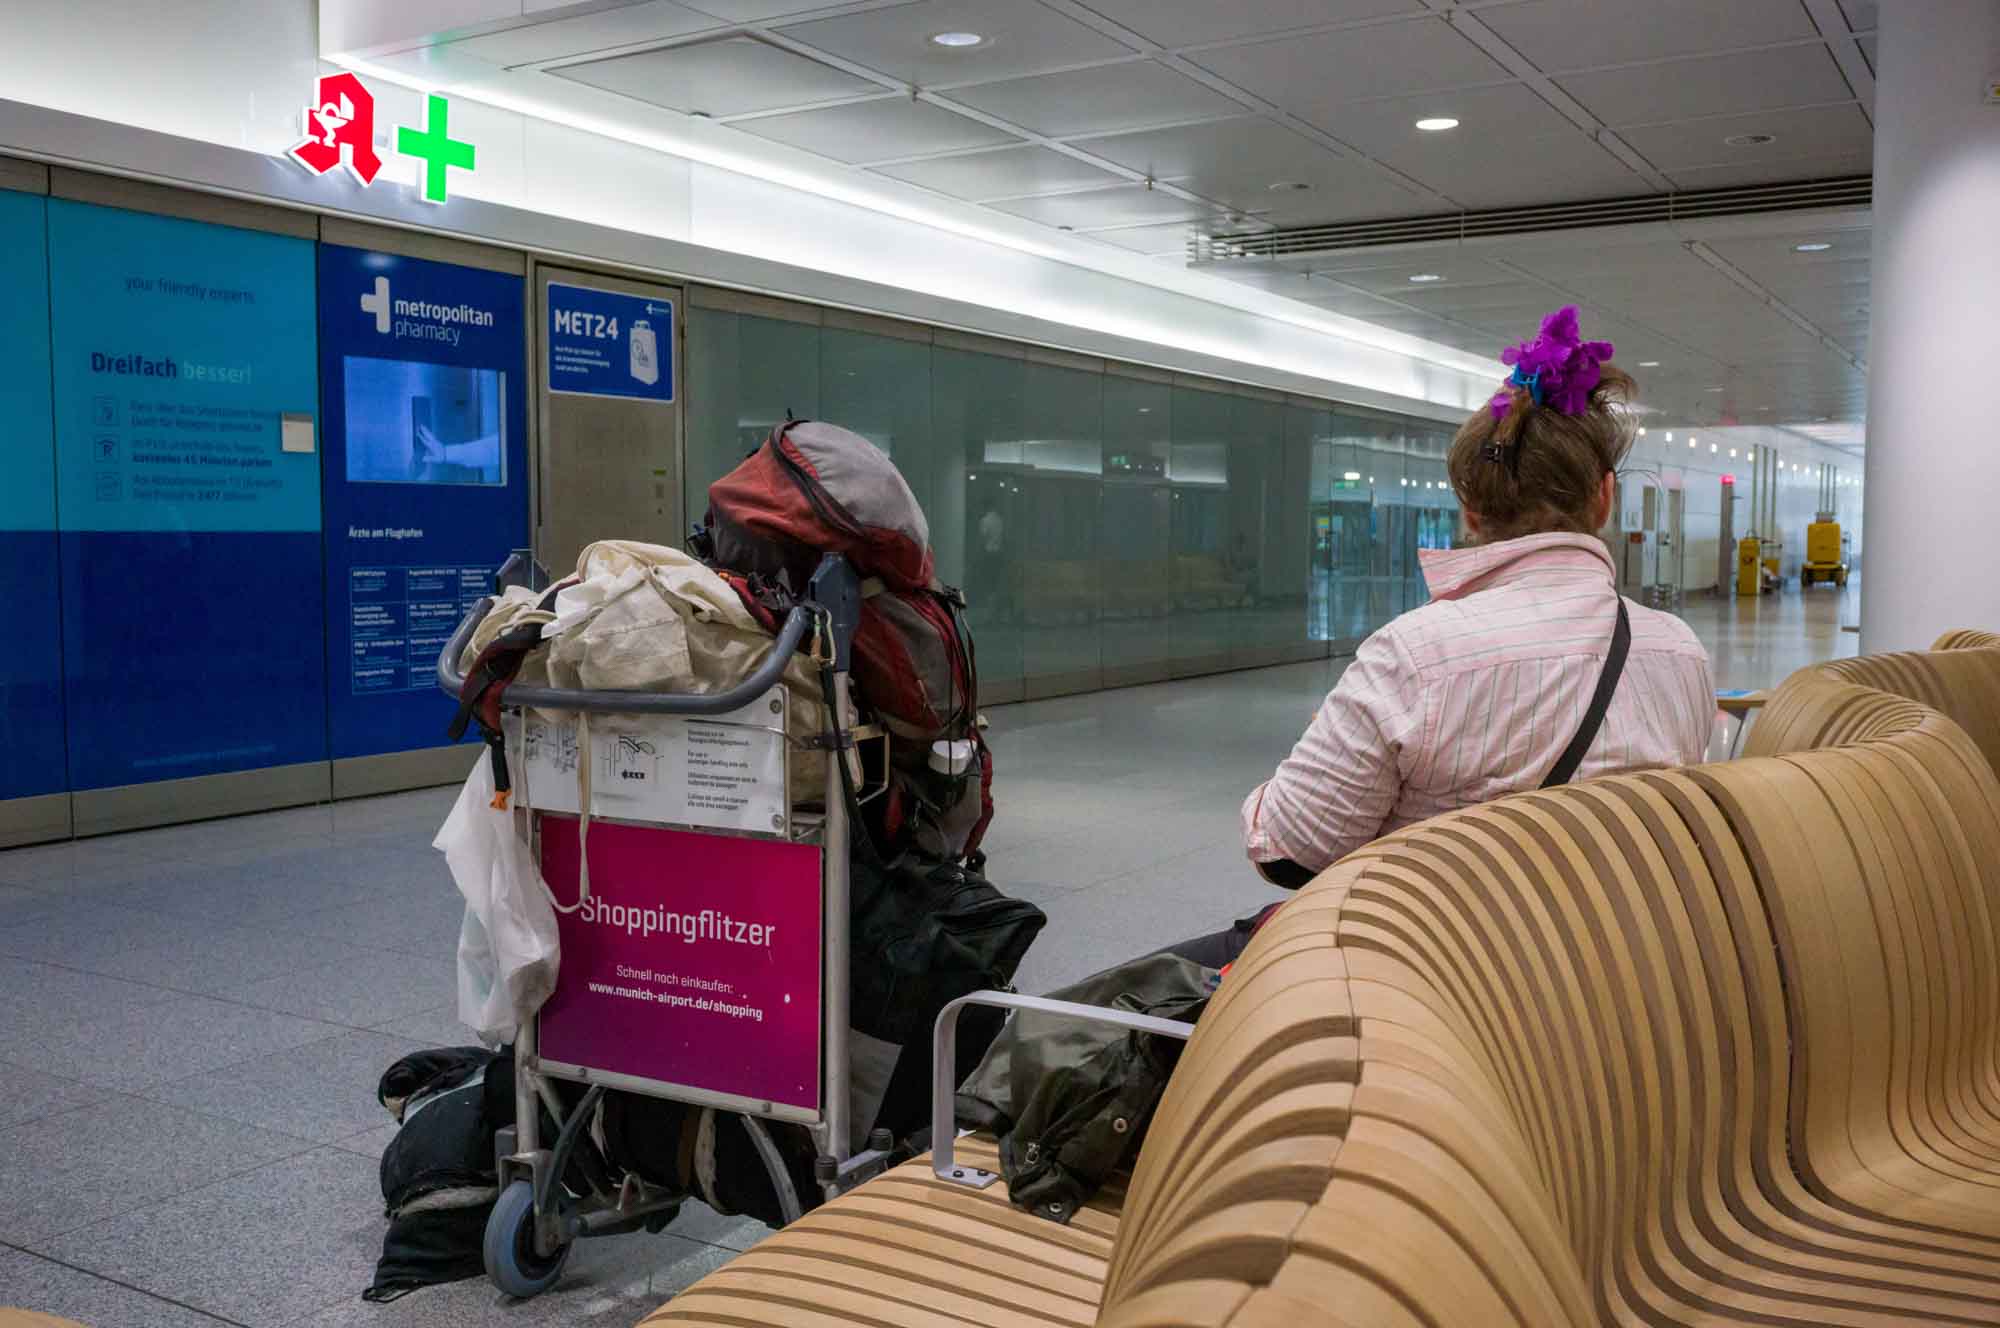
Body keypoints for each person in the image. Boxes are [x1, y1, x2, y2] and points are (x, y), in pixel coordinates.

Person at [1175, 307, 1715, 968]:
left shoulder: (1416, 656)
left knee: (1074, 1025)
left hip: (1433, 983)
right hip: (1608, 981)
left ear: (1470, 509)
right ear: (1604, 498)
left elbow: (1289, 852)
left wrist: (1321, 749)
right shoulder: (1680, 651)